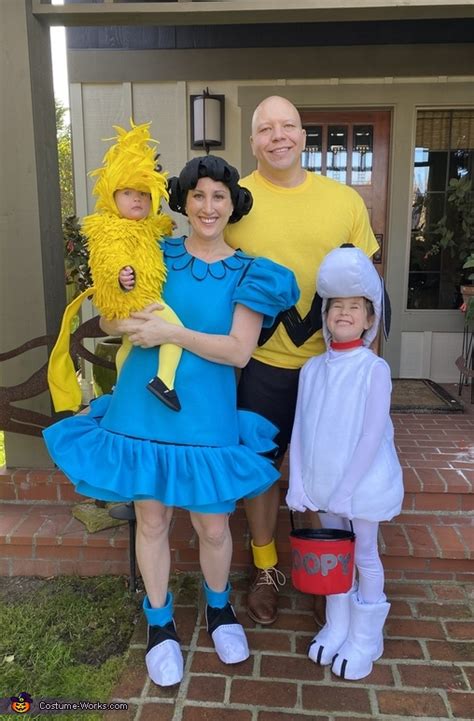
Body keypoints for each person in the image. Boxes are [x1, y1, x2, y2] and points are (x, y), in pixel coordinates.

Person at [43, 155, 299, 688]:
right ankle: (160, 623)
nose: (208, 206)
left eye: (219, 196)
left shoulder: (251, 272)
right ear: (183, 202)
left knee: (213, 524)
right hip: (143, 407)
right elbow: (110, 316)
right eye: (198, 195)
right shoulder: (154, 252)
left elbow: (238, 351)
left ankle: (219, 609)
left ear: (233, 205)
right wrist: (127, 321)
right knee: (152, 519)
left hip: (206, 416)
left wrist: (171, 334)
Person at [225, 95, 380, 626]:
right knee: (260, 473)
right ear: (253, 141)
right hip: (261, 365)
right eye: (266, 128)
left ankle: (322, 568)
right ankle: (266, 568)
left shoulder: (344, 202)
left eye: (287, 125)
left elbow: (368, 288)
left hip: (332, 367)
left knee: (324, 469)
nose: (278, 136)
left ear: (302, 134)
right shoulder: (235, 203)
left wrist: (370, 370)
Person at [286, 244, 403, 680]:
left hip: (361, 485)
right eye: (336, 306)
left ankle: (366, 636)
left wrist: (348, 490)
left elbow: (372, 434)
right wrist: (297, 481)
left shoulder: (373, 370)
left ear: (370, 318)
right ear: (325, 315)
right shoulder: (312, 369)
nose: (344, 313)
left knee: (365, 552)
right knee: (335, 555)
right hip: (324, 482)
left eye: (355, 307)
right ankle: (337, 625)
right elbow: (300, 427)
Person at [47, 120, 184, 413]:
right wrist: (122, 274)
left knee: (127, 345)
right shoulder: (109, 229)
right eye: (128, 193)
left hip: (133, 299)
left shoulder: (144, 226)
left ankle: (120, 386)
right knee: (175, 331)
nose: (137, 199)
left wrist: (165, 225)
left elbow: (155, 227)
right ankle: (164, 381)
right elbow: (107, 258)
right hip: (136, 298)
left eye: (144, 194)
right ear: (111, 196)